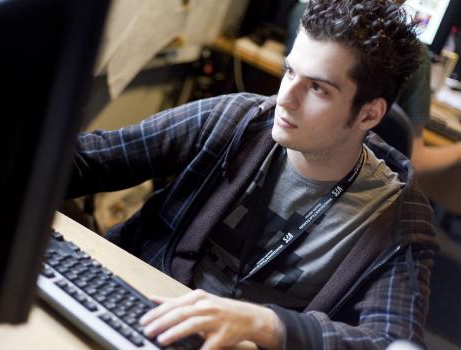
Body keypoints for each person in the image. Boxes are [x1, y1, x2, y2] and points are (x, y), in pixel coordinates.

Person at [67, 0, 438, 348]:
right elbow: (91, 160)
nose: (286, 99)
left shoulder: (397, 214)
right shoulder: (235, 120)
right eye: (290, 71)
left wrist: (268, 324)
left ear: (369, 115)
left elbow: (392, 341)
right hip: (134, 313)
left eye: (317, 88)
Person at [287, 0, 461, 176]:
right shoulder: (412, 53)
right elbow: (416, 161)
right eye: (290, 71)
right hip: (357, 176)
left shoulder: (307, 14)